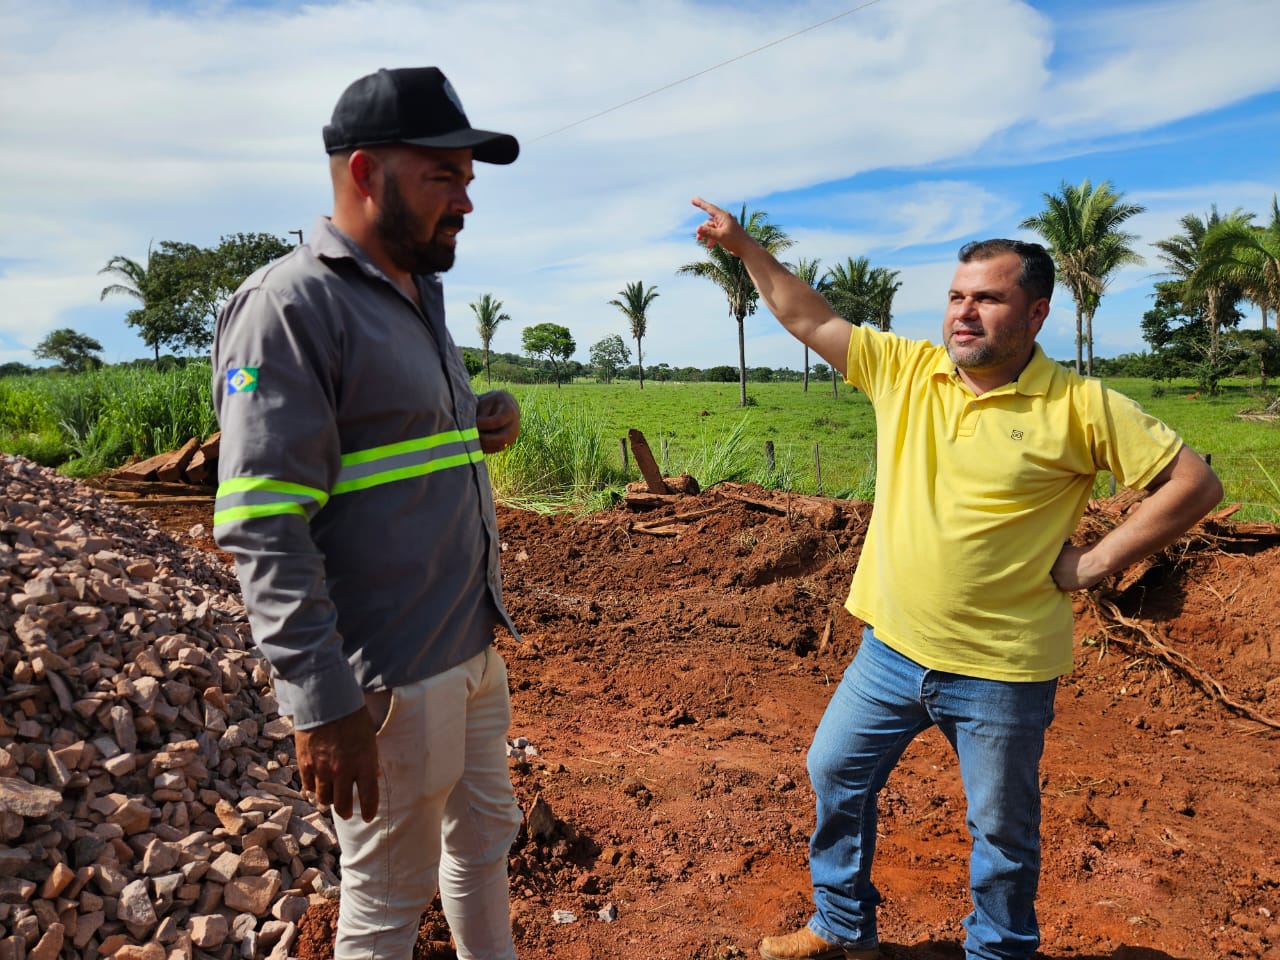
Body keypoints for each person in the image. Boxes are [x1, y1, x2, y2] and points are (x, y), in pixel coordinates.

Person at [688, 197, 1223, 960]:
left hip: (1002, 667)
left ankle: (999, 950)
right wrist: (746, 250)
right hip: (891, 649)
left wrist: (1098, 563)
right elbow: (808, 319)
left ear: (1035, 314)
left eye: (988, 297)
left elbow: (1192, 483)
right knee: (834, 771)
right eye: (956, 296)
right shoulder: (909, 371)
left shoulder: (1080, 405)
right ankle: (842, 928)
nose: (964, 313)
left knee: (1002, 832)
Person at [212, 67, 525, 960]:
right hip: (388, 678)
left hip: (468, 647)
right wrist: (321, 704)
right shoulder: (290, 307)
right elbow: (264, 522)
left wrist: (479, 417)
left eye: (467, 178)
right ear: (364, 173)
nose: (466, 200)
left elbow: (389, 441)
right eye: (444, 176)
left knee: (483, 844)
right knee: (388, 901)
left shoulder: (416, 291)